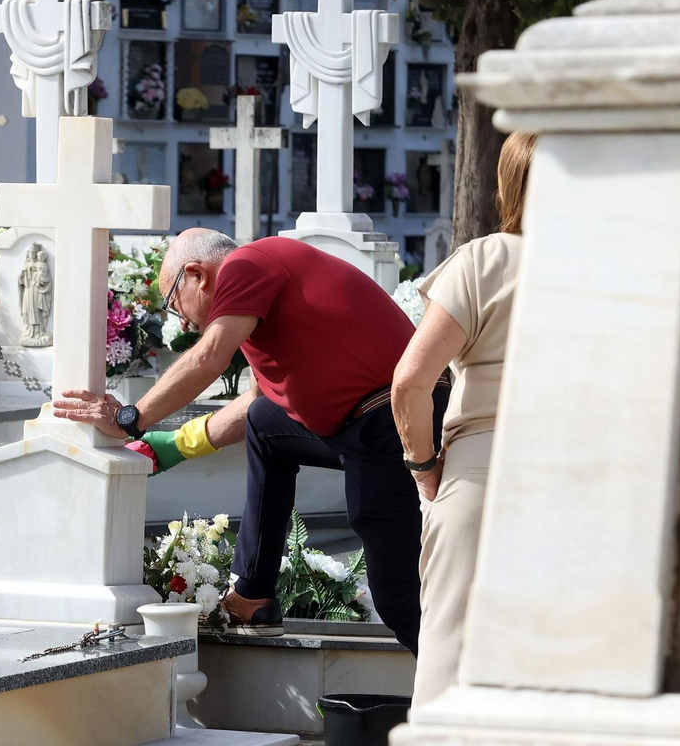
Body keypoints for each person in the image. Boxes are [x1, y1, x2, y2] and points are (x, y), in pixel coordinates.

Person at [54, 230, 447, 652]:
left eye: (173, 302)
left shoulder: (247, 264)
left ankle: (465, 700)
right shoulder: (261, 302)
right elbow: (259, 405)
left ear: (196, 274)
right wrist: (168, 446)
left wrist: (131, 418)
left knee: (400, 596)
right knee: (266, 424)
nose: (182, 322)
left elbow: (210, 356)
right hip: (366, 425)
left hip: (393, 418)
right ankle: (252, 596)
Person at [392, 131, 536, 704]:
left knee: (448, 667)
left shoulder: (485, 260)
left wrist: (423, 467)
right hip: (584, 475)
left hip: (479, 472)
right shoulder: (611, 270)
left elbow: (410, 381)